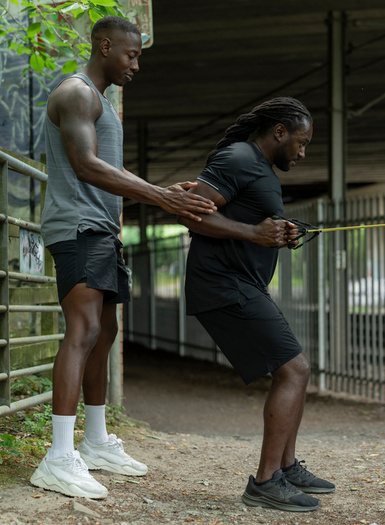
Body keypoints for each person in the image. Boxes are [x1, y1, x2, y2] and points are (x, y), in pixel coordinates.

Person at [30, 16, 217, 500]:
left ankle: (93, 442)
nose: (136, 64)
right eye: (131, 55)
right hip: (77, 228)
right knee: (84, 330)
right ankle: (57, 457)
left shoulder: (100, 102)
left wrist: (160, 191)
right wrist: (161, 198)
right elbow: (86, 165)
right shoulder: (76, 93)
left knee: (105, 332)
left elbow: (106, 165)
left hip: (101, 231)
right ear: (105, 46)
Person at [179, 97, 334, 513]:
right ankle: (265, 481)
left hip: (242, 284)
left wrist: (278, 233)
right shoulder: (239, 157)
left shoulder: (258, 166)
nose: (302, 153)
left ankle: (285, 468)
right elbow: (191, 213)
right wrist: (253, 232)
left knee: (297, 368)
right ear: (279, 132)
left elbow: (254, 222)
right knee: (295, 368)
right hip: (223, 285)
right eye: (300, 143)